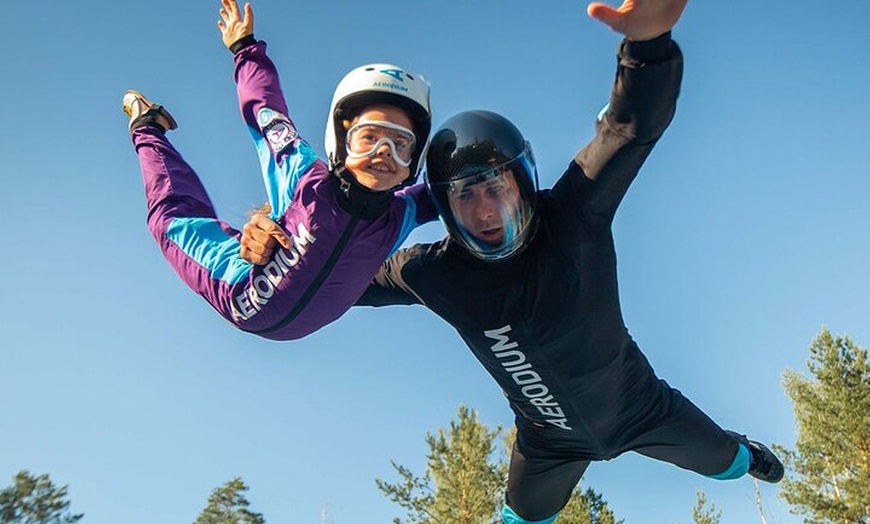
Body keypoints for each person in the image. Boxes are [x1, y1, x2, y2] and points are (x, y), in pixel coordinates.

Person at [239, 1, 785, 522]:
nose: (484, 212)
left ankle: (742, 455)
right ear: (443, 209)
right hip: (548, 444)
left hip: (644, 410)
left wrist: (648, 46)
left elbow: (627, 129)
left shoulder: (574, 217)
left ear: (523, 183)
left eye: (494, 188)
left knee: (726, 464)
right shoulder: (431, 270)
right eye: (463, 196)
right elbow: (334, 274)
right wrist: (282, 238)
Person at [122, 0, 437, 341]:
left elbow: (463, 185)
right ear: (341, 142)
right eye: (369, 137)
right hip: (234, 285)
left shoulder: (402, 213)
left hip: (268, 310)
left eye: (400, 143)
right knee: (169, 221)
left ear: (413, 161)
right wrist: (245, 49)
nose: (384, 153)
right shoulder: (304, 176)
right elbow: (266, 109)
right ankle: (147, 128)